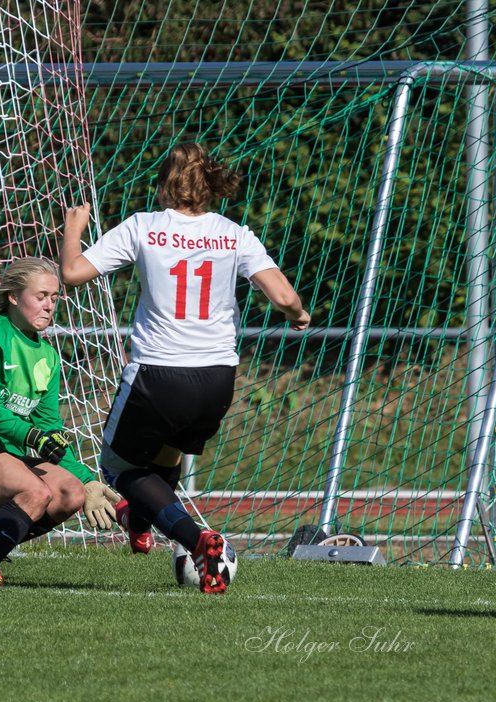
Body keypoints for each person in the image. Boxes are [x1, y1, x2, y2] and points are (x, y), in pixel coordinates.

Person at [61, 141, 310, 594]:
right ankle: (141, 525)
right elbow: (286, 298)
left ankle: (198, 540)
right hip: (216, 380)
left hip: (158, 373)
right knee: (167, 456)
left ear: (164, 185)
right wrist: (298, 317)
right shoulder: (234, 233)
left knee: (117, 470)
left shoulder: (144, 226)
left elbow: (74, 273)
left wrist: (73, 228)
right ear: (210, 187)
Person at [0, 256, 123, 586]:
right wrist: (34, 438)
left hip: (7, 452)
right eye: (41, 296)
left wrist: (88, 479)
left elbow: (49, 427)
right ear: (14, 297)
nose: (49, 306)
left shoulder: (47, 355)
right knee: (36, 490)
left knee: (70, 493)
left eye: (54, 297)